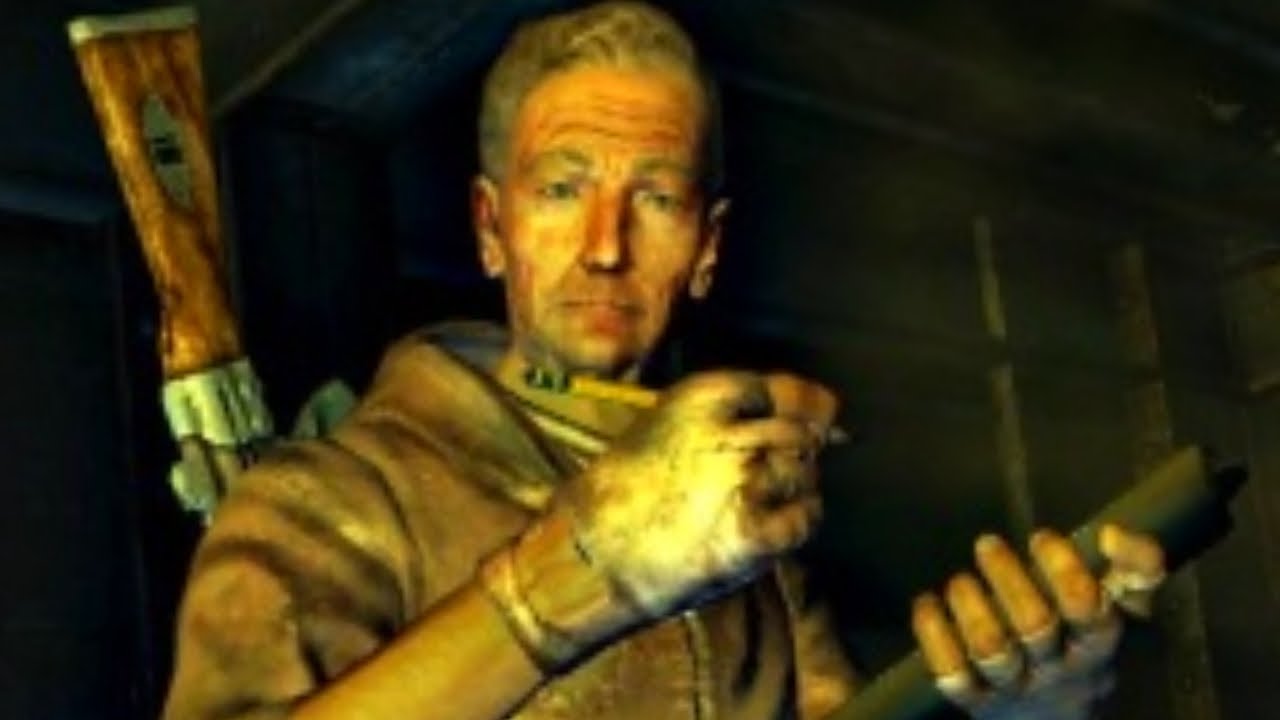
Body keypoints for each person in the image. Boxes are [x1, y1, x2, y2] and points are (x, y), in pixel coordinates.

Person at [161, 2, 1167, 719]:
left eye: (653, 198)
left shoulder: (751, 522)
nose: (605, 246)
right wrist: (577, 575)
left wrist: (1016, 710)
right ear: (490, 227)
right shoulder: (334, 499)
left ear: (706, 248)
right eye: (562, 190)